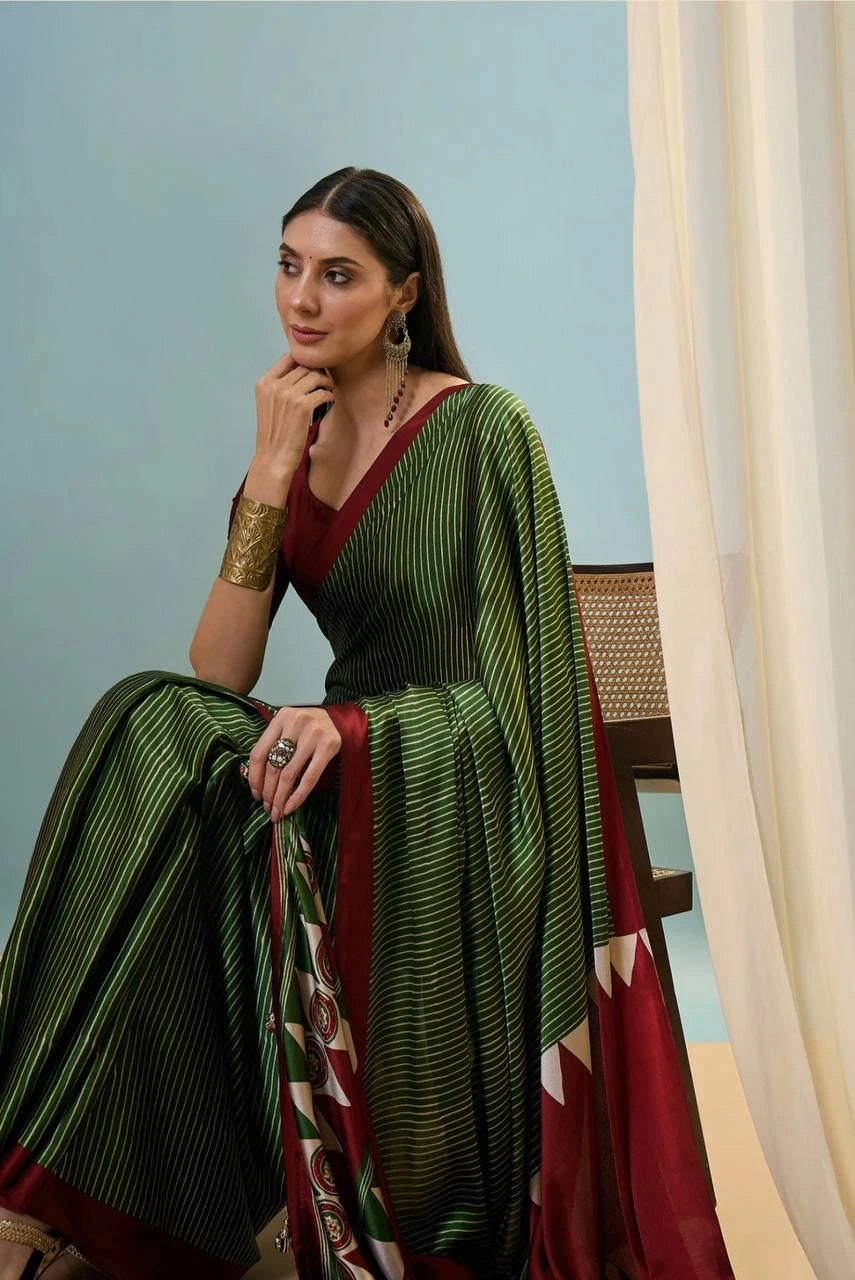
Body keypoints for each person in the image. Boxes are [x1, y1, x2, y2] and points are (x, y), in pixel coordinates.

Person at [0, 166, 734, 1280]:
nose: (303, 299)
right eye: (289, 267)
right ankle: (50, 1187)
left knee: (178, 776)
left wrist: (360, 730)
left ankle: (54, 1201)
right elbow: (220, 671)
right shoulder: (292, 442)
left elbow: (522, 695)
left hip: (464, 788)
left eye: (338, 274)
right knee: (150, 722)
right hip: (342, 767)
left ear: (403, 294)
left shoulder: (485, 428)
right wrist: (267, 473)